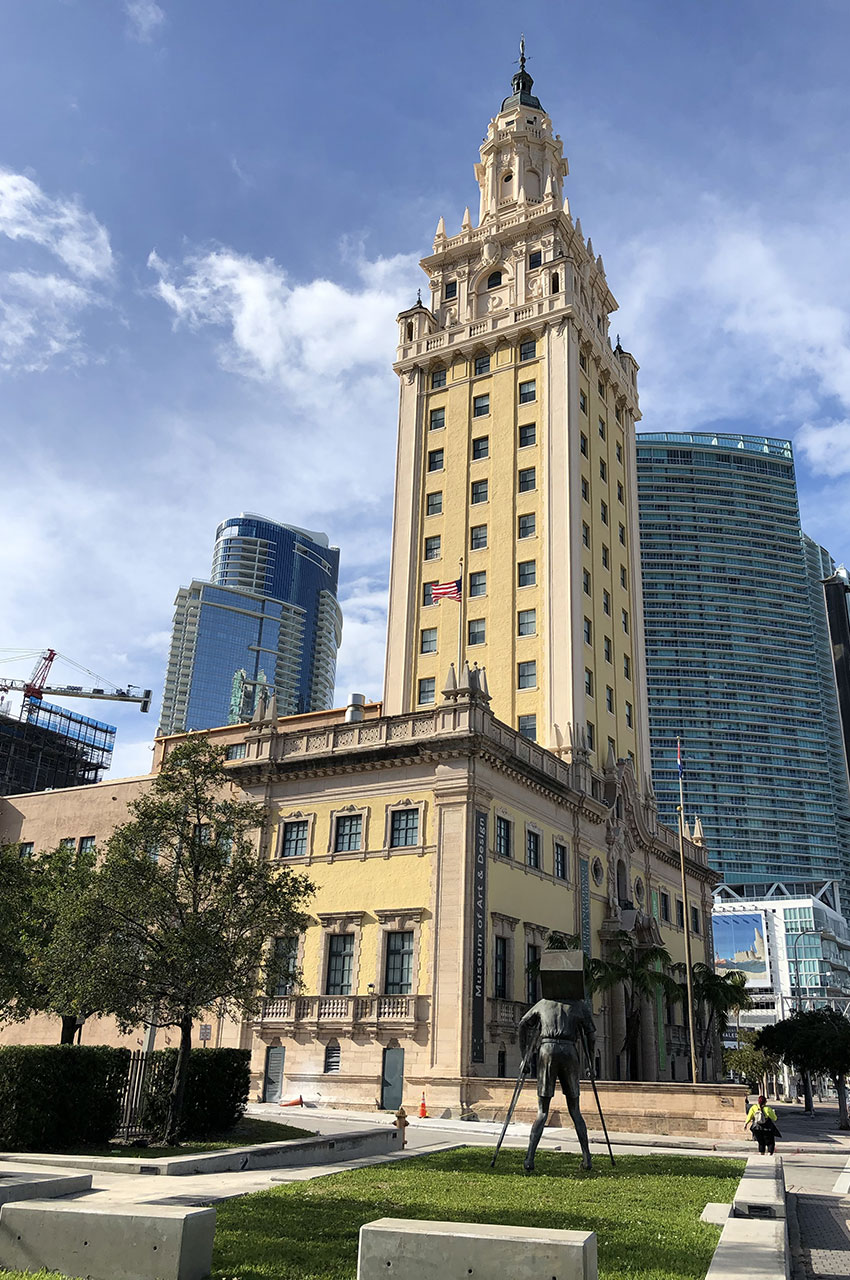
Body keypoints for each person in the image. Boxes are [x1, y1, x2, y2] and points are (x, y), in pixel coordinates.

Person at [518, 988, 596, 1173]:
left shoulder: (544, 1003)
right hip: (569, 1050)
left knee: (542, 1111)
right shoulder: (579, 1005)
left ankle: (530, 1158)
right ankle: (587, 1157)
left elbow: (522, 1024)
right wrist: (591, 1063)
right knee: (575, 1110)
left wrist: (524, 1057)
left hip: (547, 1050)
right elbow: (591, 1035)